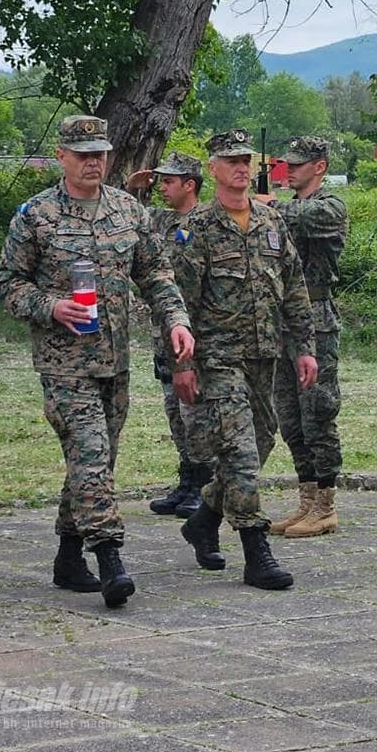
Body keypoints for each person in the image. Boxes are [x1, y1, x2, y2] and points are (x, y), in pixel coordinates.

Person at [0, 115, 194, 610]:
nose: (93, 161)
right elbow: (8, 285)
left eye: (100, 152)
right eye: (83, 153)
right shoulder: (37, 215)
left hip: (115, 360)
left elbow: (156, 274)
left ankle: (67, 555)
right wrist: (50, 306)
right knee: (89, 453)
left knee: (96, 462)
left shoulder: (128, 210)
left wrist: (176, 321)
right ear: (61, 156)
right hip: (65, 363)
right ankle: (109, 559)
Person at [171, 129, 318, 590]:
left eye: (245, 159)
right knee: (239, 451)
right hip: (216, 358)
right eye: (229, 160)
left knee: (259, 444)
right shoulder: (196, 229)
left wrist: (306, 347)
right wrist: (181, 365)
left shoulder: (272, 222)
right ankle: (256, 549)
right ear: (211, 168)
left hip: (265, 355)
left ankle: (205, 517)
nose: (240, 167)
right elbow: (177, 302)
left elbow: (293, 287)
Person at [267, 136, 348, 539]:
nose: (290, 170)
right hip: (282, 320)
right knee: (290, 415)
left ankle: (326, 503)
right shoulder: (287, 207)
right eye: (288, 164)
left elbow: (300, 218)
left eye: (298, 164)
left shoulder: (330, 206)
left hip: (316, 320)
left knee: (318, 411)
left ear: (319, 166)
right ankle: (307, 497)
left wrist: (268, 207)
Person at [127, 152, 217, 519]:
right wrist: (134, 192)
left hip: (194, 332)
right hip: (163, 332)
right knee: (174, 411)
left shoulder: (208, 222)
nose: (162, 187)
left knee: (195, 411)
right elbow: (128, 223)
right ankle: (186, 478)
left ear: (189, 184)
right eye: (160, 181)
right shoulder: (160, 219)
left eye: (168, 182)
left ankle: (204, 484)